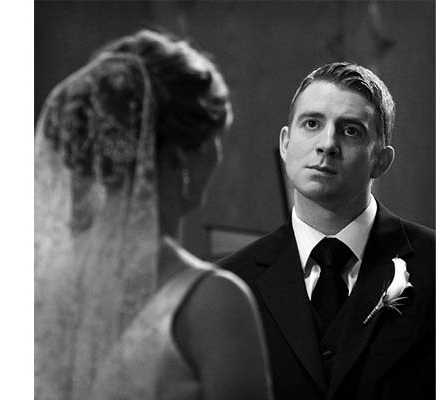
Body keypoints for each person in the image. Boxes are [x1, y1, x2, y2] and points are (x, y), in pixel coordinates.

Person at [35, 30, 273, 400]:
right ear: (180, 158)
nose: (219, 156)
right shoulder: (213, 303)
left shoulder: (36, 287)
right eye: (215, 139)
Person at [219, 62, 435, 400]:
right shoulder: (231, 284)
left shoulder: (440, 266)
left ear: (381, 160)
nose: (327, 144)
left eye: (350, 130)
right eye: (312, 124)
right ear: (286, 143)